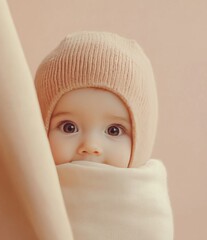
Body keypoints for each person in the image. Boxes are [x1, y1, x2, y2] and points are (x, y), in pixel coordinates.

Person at [34, 31, 174, 239]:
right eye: (68, 127)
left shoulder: (149, 208)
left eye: (114, 130)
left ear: (141, 141)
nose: (90, 146)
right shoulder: (28, 190)